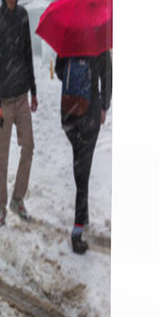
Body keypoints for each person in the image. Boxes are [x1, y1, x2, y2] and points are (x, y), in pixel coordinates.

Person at [0, 0, 37, 228]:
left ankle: (18, 198)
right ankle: (0, 208)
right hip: (5, 102)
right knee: (2, 156)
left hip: (22, 97)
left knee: (28, 146)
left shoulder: (23, 17)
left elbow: (28, 54)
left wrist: (35, 91)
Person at [55, 50, 112, 254]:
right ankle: (77, 231)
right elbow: (108, 76)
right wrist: (104, 105)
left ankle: (84, 213)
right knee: (83, 168)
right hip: (90, 112)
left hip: (69, 112)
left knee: (79, 162)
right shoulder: (98, 39)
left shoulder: (69, 38)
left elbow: (59, 71)